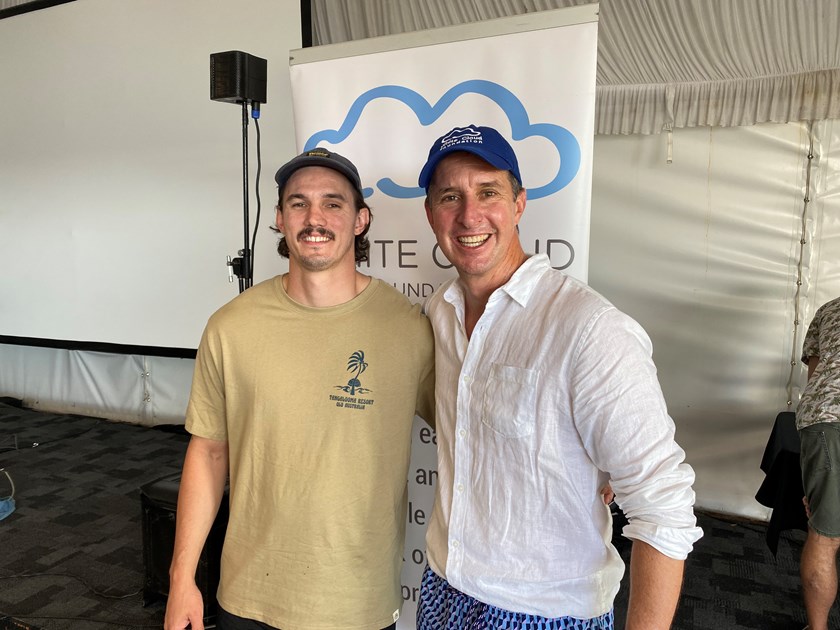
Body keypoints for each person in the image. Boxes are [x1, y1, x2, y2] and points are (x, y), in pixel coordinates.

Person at [415, 124, 702, 629]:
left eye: (488, 192)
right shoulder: (440, 310)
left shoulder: (589, 328)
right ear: (431, 213)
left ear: (519, 203)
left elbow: (663, 507)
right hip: (444, 585)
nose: (469, 215)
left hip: (543, 610)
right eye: (450, 196)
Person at [164, 148, 435, 630]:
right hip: (248, 597)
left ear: (360, 220)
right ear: (279, 219)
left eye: (333, 203)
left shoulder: (409, 329)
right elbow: (208, 452)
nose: (315, 218)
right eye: (298, 203)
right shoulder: (231, 326)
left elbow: (469, 428)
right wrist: (181, 577)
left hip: (357, 602)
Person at [797, 296, 840, 630]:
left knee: (825, 534)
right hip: (827, 417)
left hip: (825, 417)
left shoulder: (829, 308)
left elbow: (815, 371)